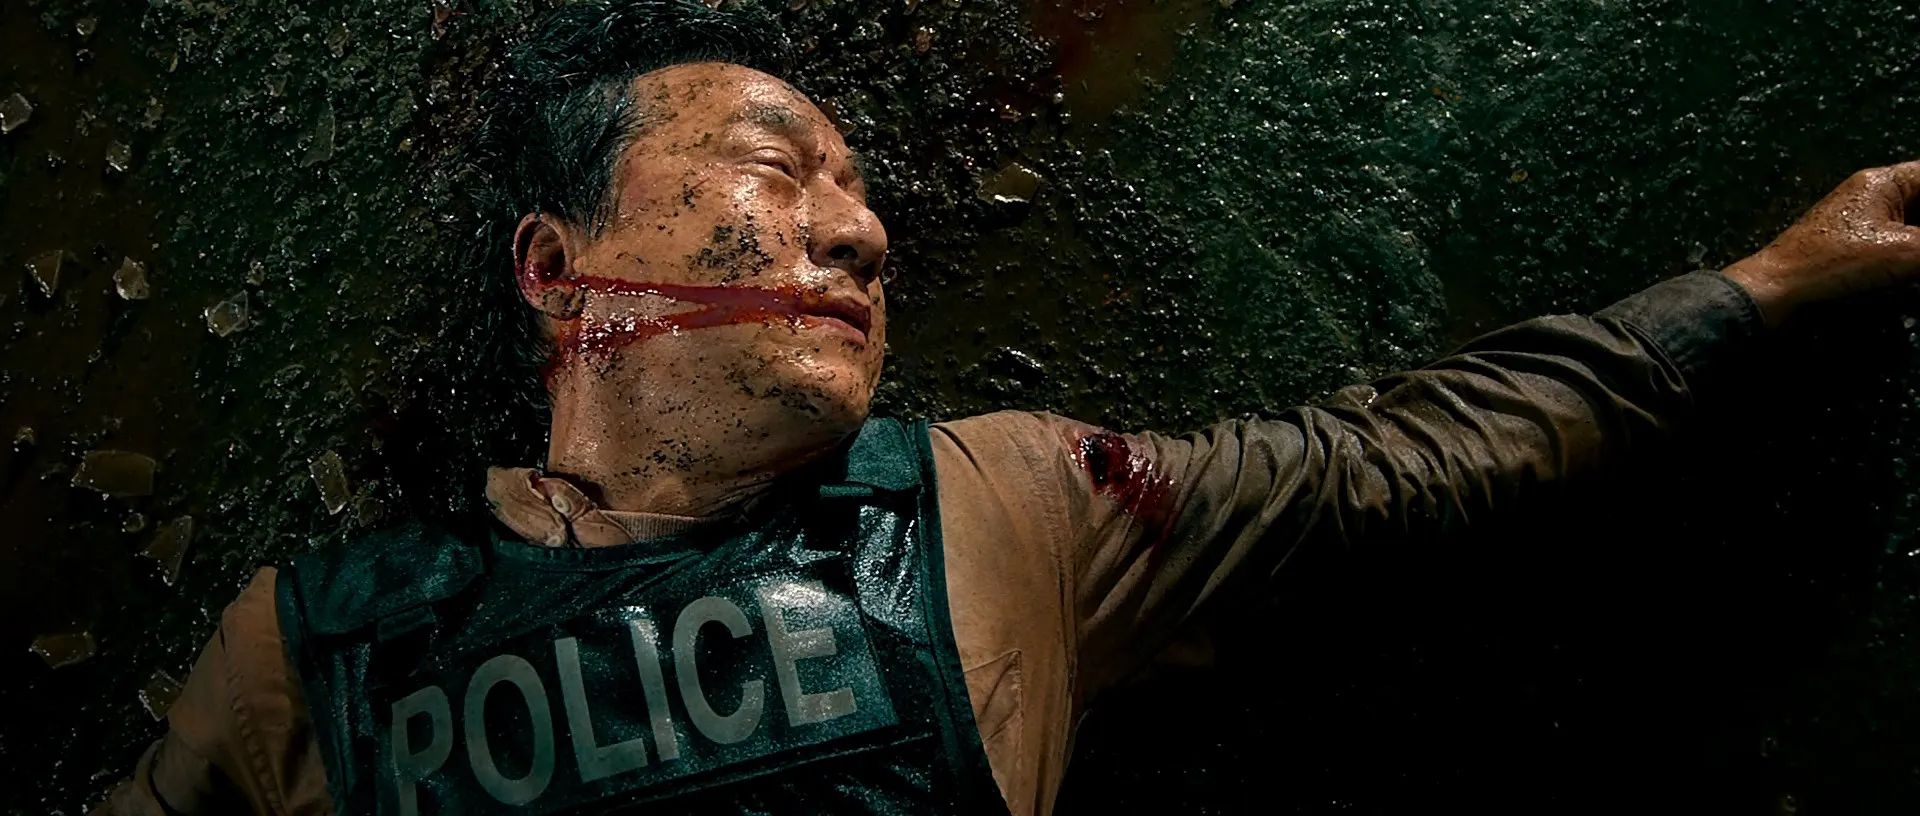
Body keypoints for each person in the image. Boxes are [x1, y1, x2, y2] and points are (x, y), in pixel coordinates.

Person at [100, 0, 1920, 814]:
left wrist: (1766, 285)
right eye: (777, 168)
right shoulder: (313, 658)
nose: (861, 230)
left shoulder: (997, 514)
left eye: (862, 191)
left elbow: (1407, 459)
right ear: (558, 270)